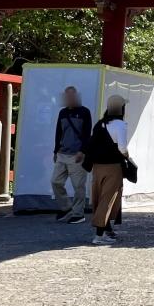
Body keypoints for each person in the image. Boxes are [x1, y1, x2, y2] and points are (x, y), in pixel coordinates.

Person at [85, 95, 129, 246]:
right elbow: (122, 147)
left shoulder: (100, 124)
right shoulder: (121, 125)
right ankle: (99, 235)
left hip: (97, 167)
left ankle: (106, 230)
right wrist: (127, 156)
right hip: (113, 166)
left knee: (99, 198)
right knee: (108, 199)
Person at [52, 87, 92, 223]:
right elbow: (58, 132)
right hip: (62, 153)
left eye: (71, 96)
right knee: (55, 181)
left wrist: (83, 151)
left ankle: (78, 213)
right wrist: (55, 151)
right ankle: (66, 208)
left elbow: (87, 133)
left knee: (78, 186)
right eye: (67, 96)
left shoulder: (84, 112)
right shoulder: (62, 113)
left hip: (77, 155)